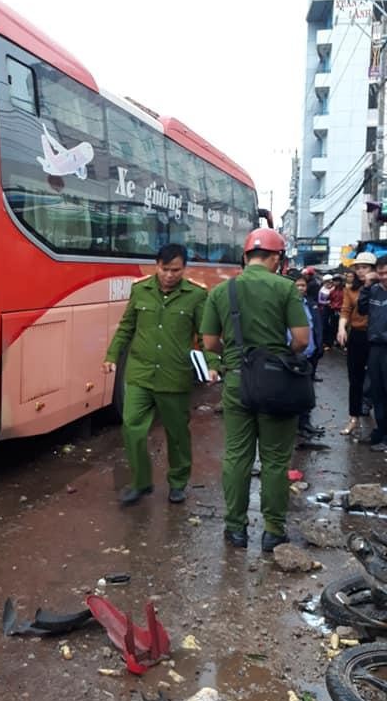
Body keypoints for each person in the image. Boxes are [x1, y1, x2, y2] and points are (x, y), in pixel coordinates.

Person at [201, 229, 309, 553]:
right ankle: (273, 531)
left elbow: (209, 342)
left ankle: (235, 530)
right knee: (276, 460)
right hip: (277, 382)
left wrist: (234, 357)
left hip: (237, 381)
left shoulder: (221, 292)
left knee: (237, 457)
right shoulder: (286, 288)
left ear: (245, 257)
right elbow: (301, 339)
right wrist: (279, 357)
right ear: (276, 258)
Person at [103, 243, 219, 507]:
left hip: (174, 376)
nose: (169, 275)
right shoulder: (140, 290)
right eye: (165, 269)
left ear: (184, 269)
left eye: (175, 270)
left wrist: (212, 364)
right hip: (140, 373)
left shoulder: (196, 295)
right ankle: (141, 482)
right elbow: (126, 327)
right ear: (156, 266)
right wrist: (111, 356)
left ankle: (178, 483)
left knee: (177, 434)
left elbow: (204, 334)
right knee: (132, 427)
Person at [337, 252, 377, 437]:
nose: (361, 271)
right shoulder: (350, 289)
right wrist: (341, 328)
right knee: (355, 378)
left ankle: (380, 422)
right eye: (358, 268)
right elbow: (345, 310)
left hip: (377, 337)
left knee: (379, 379)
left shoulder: (380, 287)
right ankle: (354, 418)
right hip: (358, 335)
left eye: (365, 267)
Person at [358, 255, 387, 451]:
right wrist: (367, 286)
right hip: (375, 348)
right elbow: (362, 309)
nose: (384, 276)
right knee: (377, 393)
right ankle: (380, 431)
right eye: (381, 273)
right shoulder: (375, 291)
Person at [292, 274, 325, 439]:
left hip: (310, 355)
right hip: (292, 355)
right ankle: (293, 425)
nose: (300, 289)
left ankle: (305, 423)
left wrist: (319, 347)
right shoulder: (286, 304)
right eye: (297, 285)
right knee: (292, 391)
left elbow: (317, 326)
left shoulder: (311, 304)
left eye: (303, 286)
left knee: (307, 392)